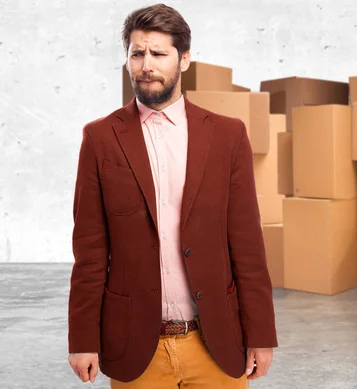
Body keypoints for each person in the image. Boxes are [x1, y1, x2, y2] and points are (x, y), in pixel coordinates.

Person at [67, 4, 278, 388]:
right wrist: (82, 340)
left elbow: (247, 243)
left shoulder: (227, 136)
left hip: (215, 342)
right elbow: (90, 250)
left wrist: (261, 334)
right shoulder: (99, 139)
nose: (146, 64)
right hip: (135, 347)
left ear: (184, 60)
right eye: (137, 53)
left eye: (159, 53)